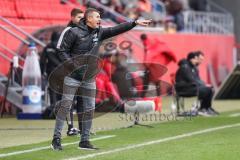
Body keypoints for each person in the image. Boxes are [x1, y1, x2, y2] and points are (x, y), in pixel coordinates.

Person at [51, 7, 152, 151]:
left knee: (89, 108)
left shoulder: (99, 32)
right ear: (89, 19)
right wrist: (74, 67)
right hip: (72, 76)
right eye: (97, 17)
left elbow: (116, 29)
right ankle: (56, 139)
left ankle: (84, 141)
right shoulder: (72, 31)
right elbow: (61, 51)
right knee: (66, 106)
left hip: (89, 77)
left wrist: (134, 22)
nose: (100, 19)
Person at [175, 52, 218, 117]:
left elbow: (197, 79)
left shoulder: (193, 67)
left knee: (210, 89)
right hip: (184, 89)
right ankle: (203, 109)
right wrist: (203, 86)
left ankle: (206, 108)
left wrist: (204, 84)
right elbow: (190, 80)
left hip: (191, 87)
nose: (197, 61)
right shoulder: (185, 67)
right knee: (206, 90)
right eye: (196, 59)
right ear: (191, 59)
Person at [64, 8, 84, 137]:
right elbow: (61, 51)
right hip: (70, 71)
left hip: (83, 71)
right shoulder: (68, 31)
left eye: (83, 18)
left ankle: (83, 128)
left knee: (82, 100)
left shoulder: (85, 31)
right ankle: (70, 127)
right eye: (78, 18)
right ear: (72, 17)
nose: (81, 20)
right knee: (69, 101)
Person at [40, 31, 62, 119]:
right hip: (62, 72)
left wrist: (42, 72)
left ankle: (53, 109)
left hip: (51, 72)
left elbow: (42, 61)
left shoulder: (47, 47)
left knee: (53, 91)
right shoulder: (63, 46)